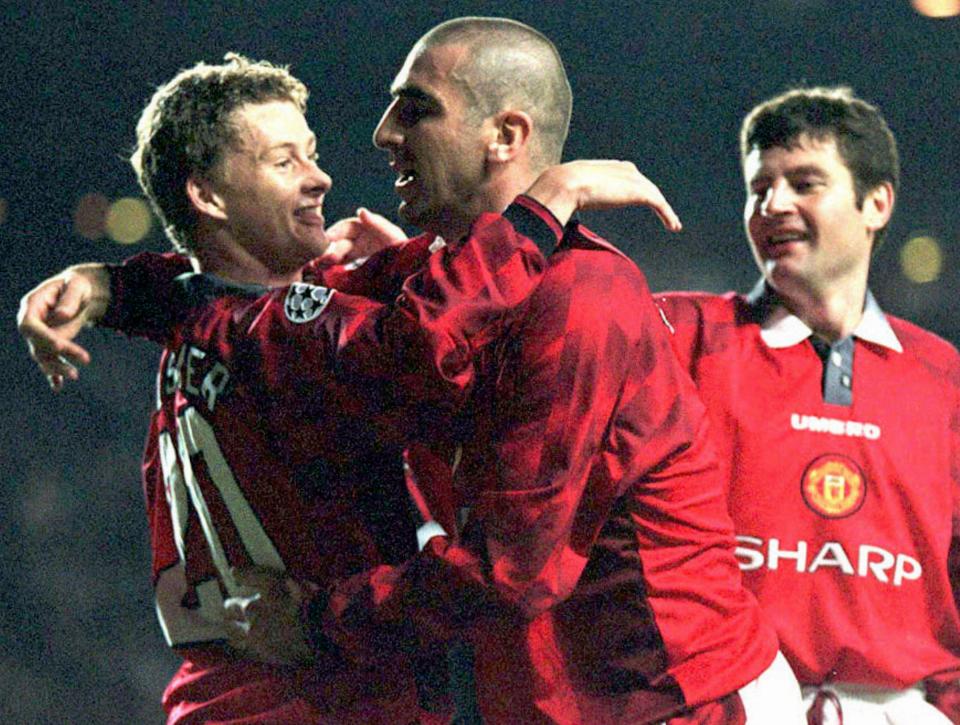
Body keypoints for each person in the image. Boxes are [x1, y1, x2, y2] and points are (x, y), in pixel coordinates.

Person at [20, 18, 804, 725]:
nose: (377, 134)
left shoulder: (578, 300)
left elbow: (508, 570)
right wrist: (107, 283)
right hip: (507, 693)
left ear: (505, 135)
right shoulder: (388, 290)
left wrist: (321, 620)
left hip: (675, 699)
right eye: (284, 158)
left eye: (415, 108)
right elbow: (364, 334)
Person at [656, 86, 960, 724]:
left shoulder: (945, 378)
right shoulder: (681, 336)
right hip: (722, 710)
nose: (775, 204)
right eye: (759, 186)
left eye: (805, 182)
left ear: (876, 203)